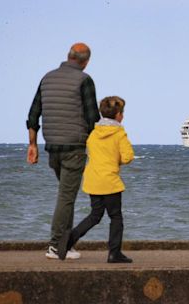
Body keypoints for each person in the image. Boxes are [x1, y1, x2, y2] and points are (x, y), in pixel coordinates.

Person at [27, 43, 100, 259]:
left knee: (66, 197)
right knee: (66, 198)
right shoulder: (84, 80)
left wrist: (32, 145)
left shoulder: (47, 78)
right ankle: (55, 245)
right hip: (74, 148)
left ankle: (65, 245)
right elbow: (92, 117)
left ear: (68, 56)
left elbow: (33, 114)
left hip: (52, 148)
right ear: (86, 62)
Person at [58, 96, 135, 263]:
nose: (123, 116)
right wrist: (116, 160)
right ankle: (114, 253)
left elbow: (92, 154)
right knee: (116, 217)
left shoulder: (93, 133)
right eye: (122, 113)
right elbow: (128, 157)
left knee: (95, 215)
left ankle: (70, 239)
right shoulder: (119, 133)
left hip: (93, 180)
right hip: (109, 181)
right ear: (118, 115)